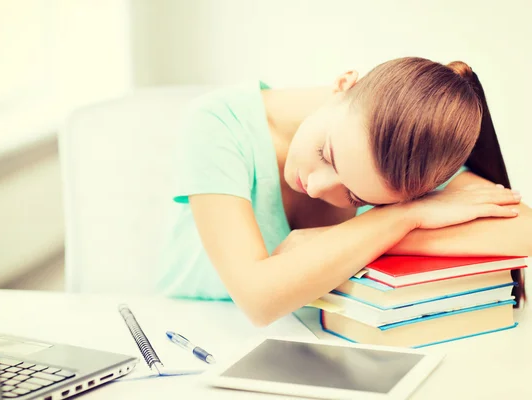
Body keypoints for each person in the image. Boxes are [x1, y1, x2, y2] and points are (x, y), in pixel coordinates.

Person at [157, 57, 530, 326]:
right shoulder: (218, 124)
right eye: (327, 154)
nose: (318, 186)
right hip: (197, 327)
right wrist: (404, 217)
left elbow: (524, 231)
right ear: (342, 85)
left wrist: (326, 238)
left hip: (323, 333)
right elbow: (258, 299)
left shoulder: (408, 160)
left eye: (357, 197)